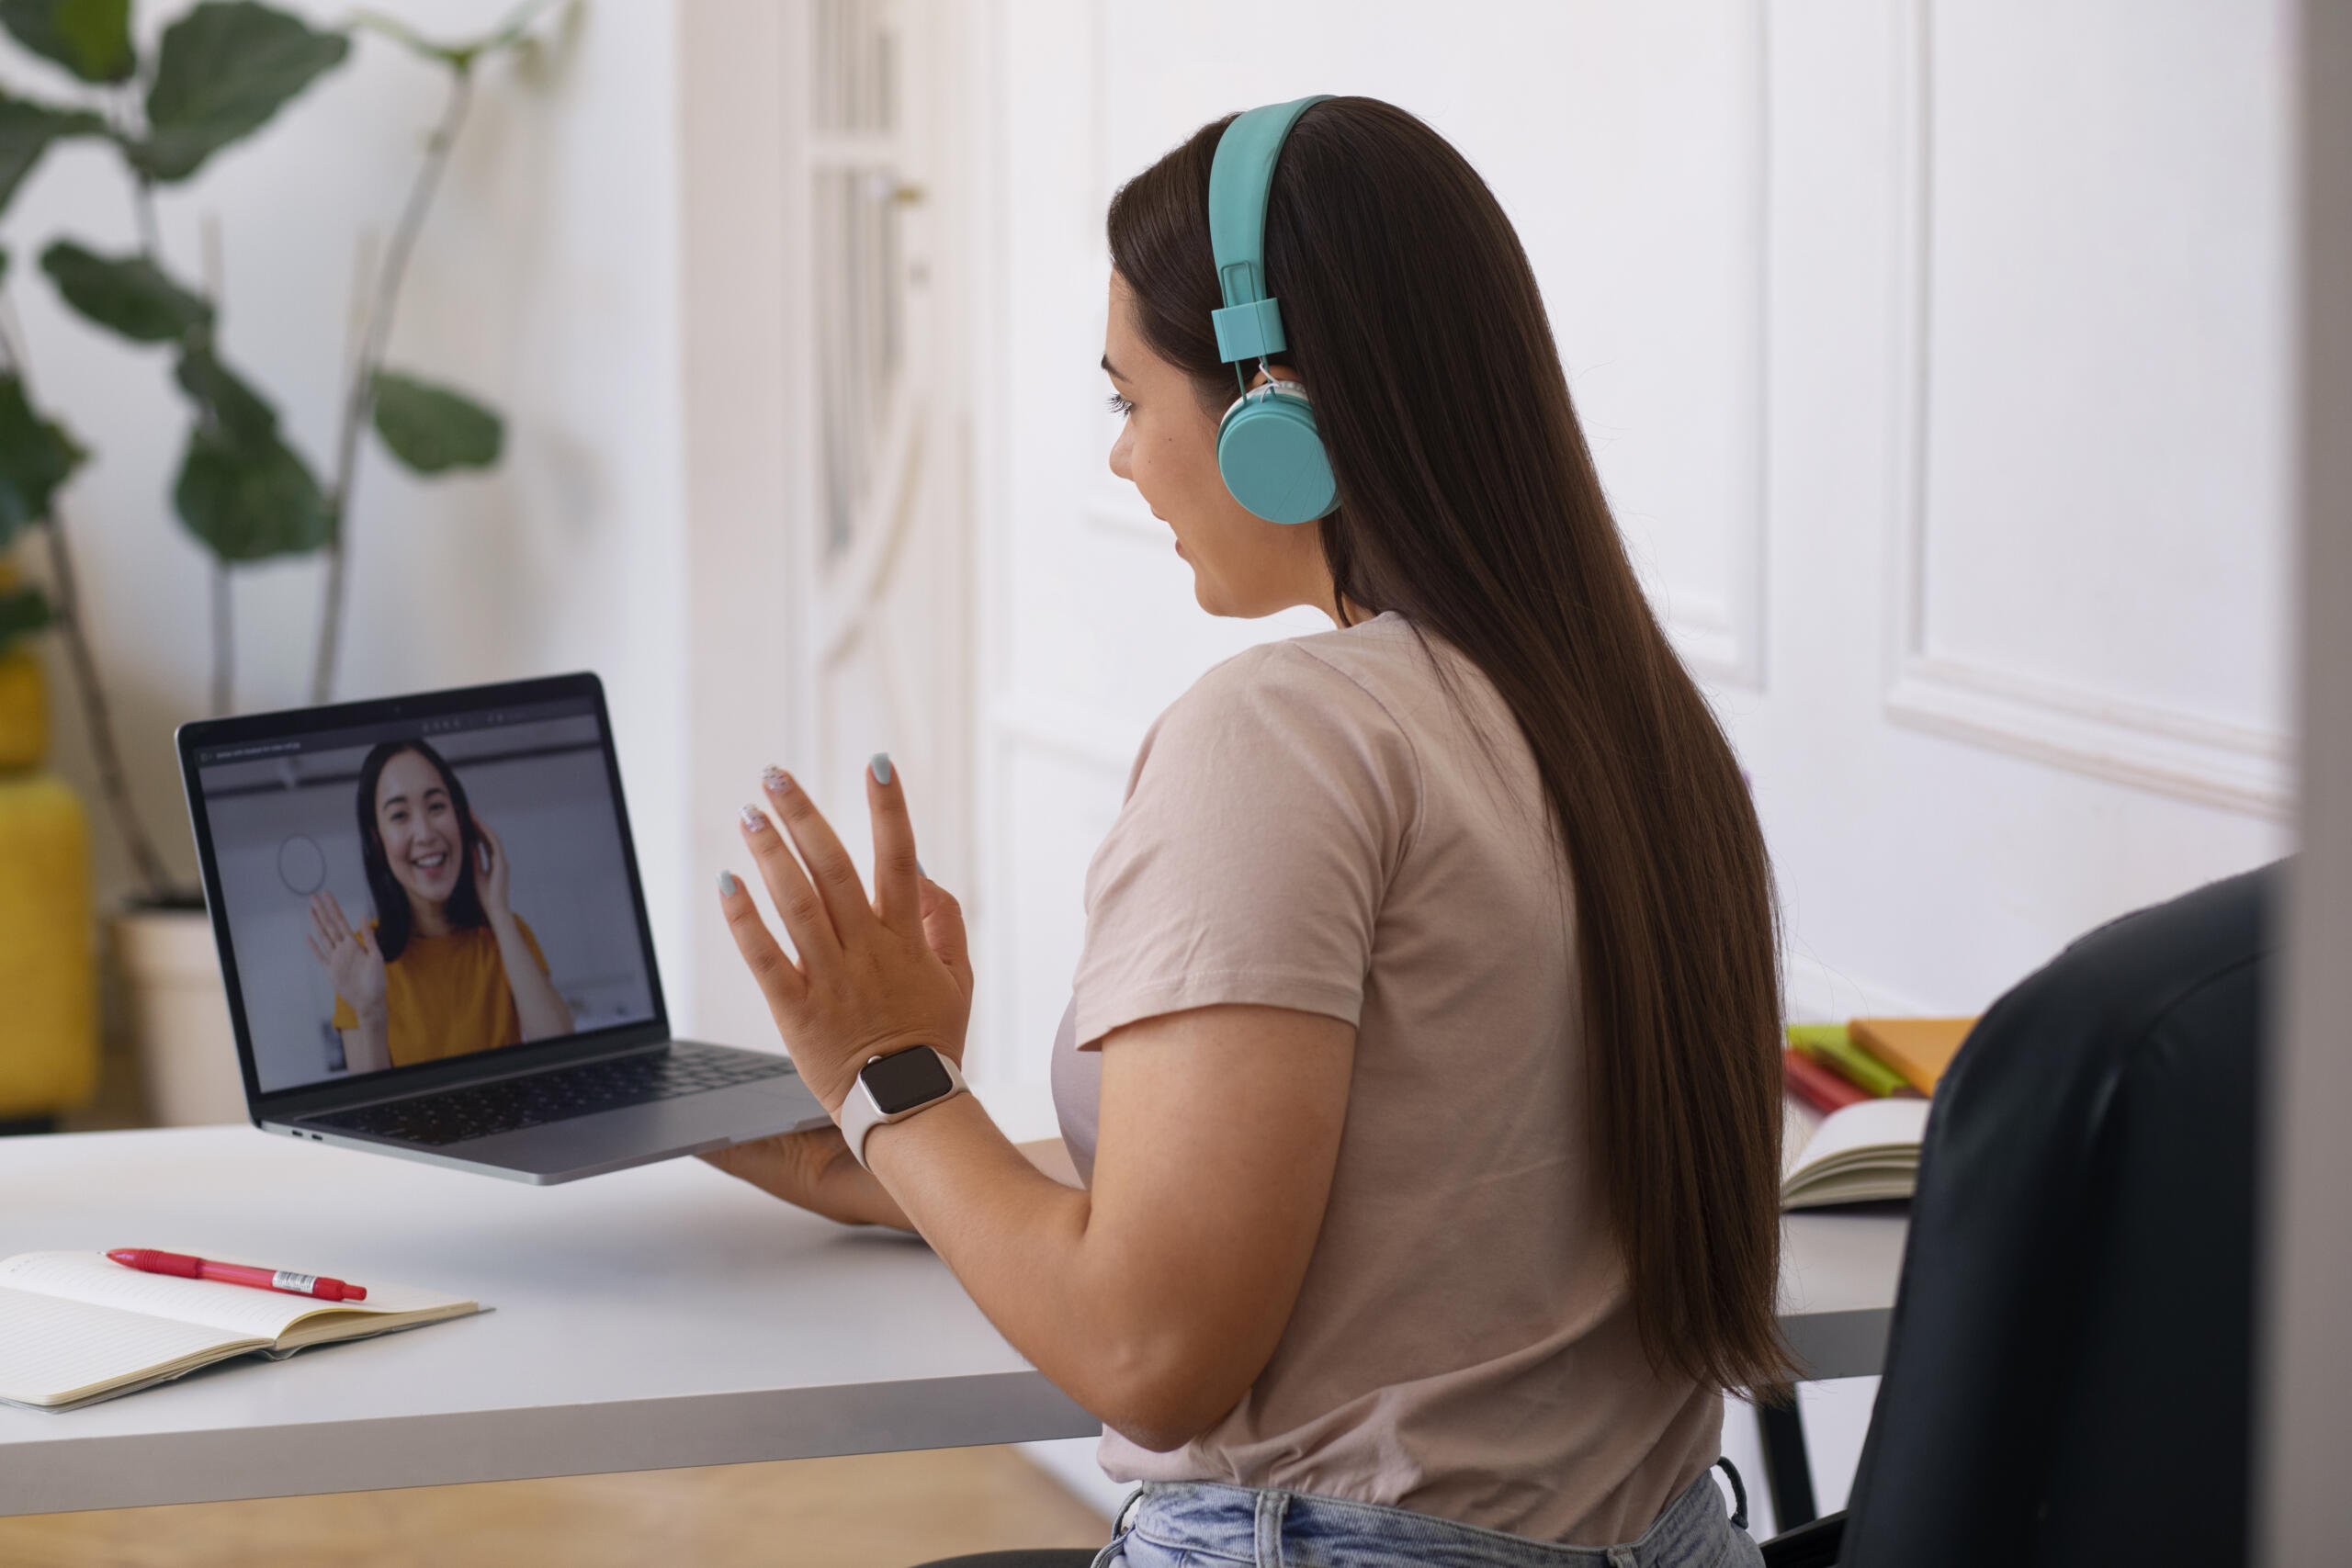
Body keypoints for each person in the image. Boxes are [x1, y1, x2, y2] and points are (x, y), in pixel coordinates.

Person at [703, 96, 1783, 1566]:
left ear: (1274, 408)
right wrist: (897, 1140)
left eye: (1128, 401)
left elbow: (1150, 1352)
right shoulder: (1633, 725)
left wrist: (884, 1069)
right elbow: (1404, 1184)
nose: (1124, 460)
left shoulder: (1287, 734)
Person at [306, 739, 575, 1075]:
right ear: (378, 839)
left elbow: (562, 1060)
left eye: (436, 806)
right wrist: (370, 1012)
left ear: (461, 819)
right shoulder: (361, 959)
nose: (425, 833)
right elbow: (372, 1107)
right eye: (400, 815)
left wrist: (498, 912)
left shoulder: (506, 932)